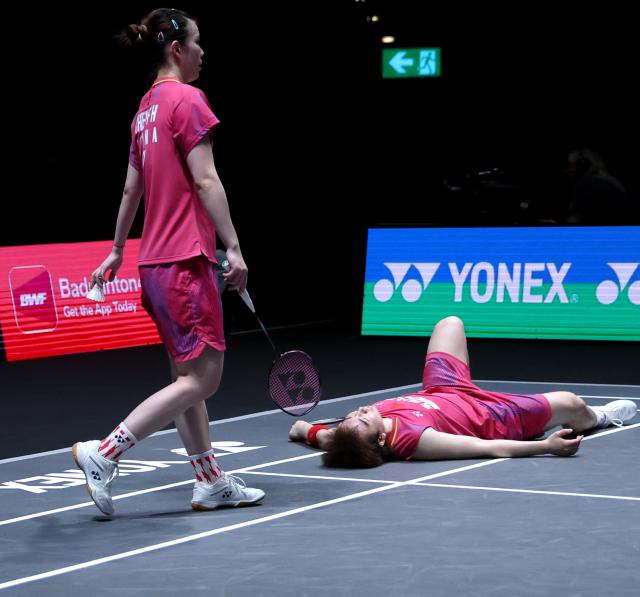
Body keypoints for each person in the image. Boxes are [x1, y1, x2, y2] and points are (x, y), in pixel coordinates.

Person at [73, 8, 264, 515]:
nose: (204, 52)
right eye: (199, 43)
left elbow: (131, 190)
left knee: (186, 381)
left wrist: (116, 249)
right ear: (177, 49)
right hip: (185, 259)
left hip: (154, 264)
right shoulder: (187, 99)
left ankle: (209, 480)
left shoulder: (144, 110)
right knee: (203, 380)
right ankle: (104, 453)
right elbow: (206, 180)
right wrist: (235, 246)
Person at [289, 316, 637, 467]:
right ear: (381, 441)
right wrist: (544, 446)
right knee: (572, 403)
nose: (357, 412)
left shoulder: (346, 439)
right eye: (362, 420)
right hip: (494, 416)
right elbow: (486, 447)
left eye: (351, 417)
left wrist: (310, 431)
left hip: (444, 387)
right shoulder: (414, 441)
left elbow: (303, 430)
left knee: (450, 323)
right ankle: (601, 417)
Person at [564, 148, 632, 225]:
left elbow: (575, 221)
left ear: (583, 166)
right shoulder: (609, 182)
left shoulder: (587, 184)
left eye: (570, 166)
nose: (567, 171)